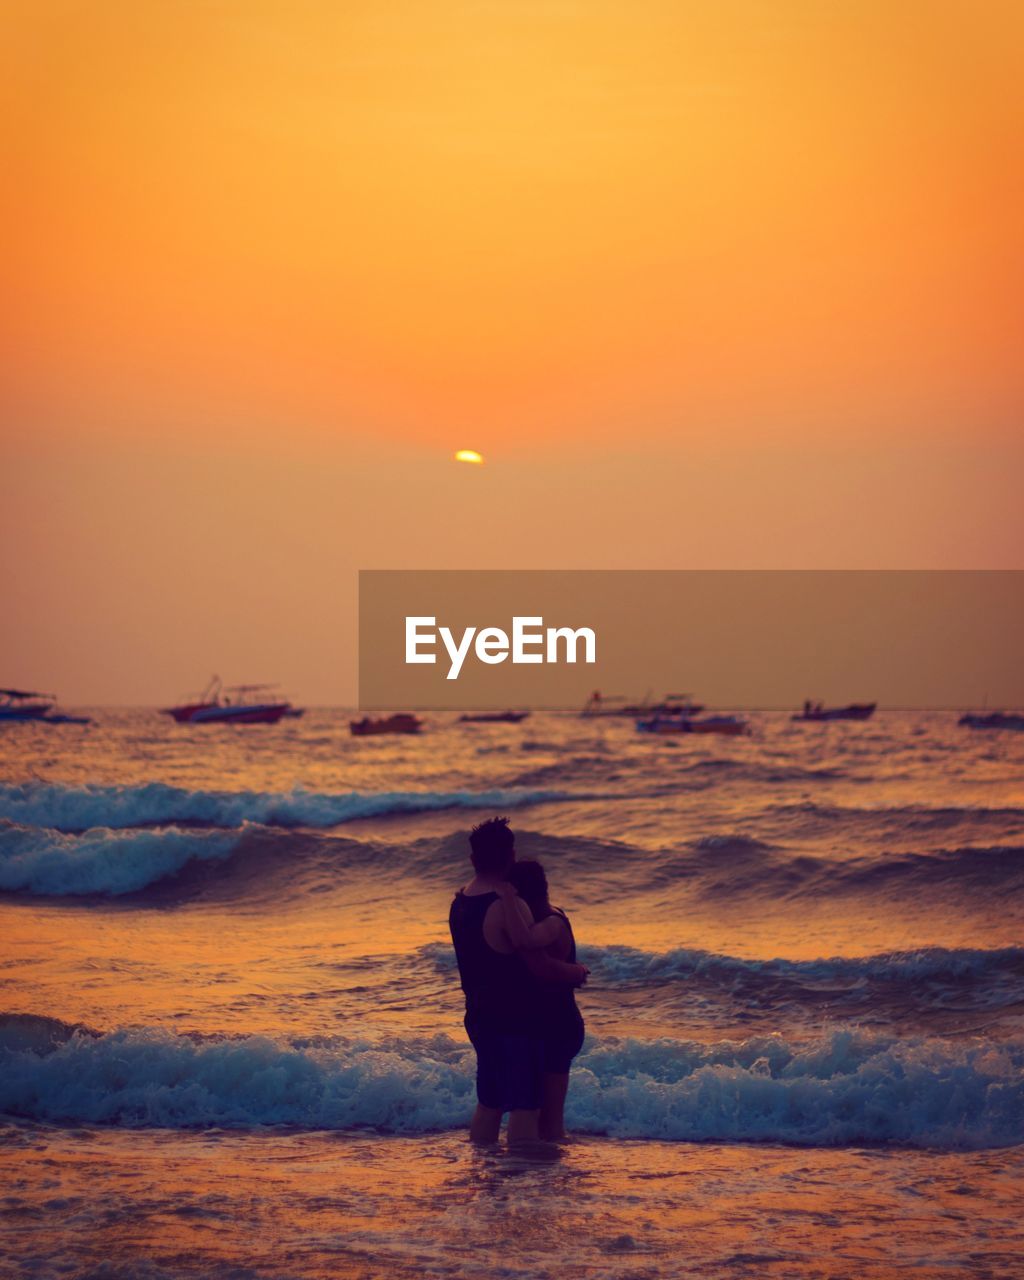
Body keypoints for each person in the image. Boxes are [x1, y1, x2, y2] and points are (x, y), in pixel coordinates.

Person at [448, 817, 588, 1144]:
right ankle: (524, 1182)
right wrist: (576, 972)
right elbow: (538, 965)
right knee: (525, 1108)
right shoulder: (509, 906)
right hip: (515, 1023)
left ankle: (486, 1172)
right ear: (511, 856)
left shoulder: (460, 903)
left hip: (479, 1017)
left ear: (472, 859)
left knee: (489, 1103)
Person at [500, 859, 585, 1141]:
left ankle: (553, 1175)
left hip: (560, 1025)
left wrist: (508, 899)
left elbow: (527, 941)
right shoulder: (542, 918)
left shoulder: (552, 922)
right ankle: (542, 1175)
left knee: (550, 1120)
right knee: (537, 1114)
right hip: (547, 1024)